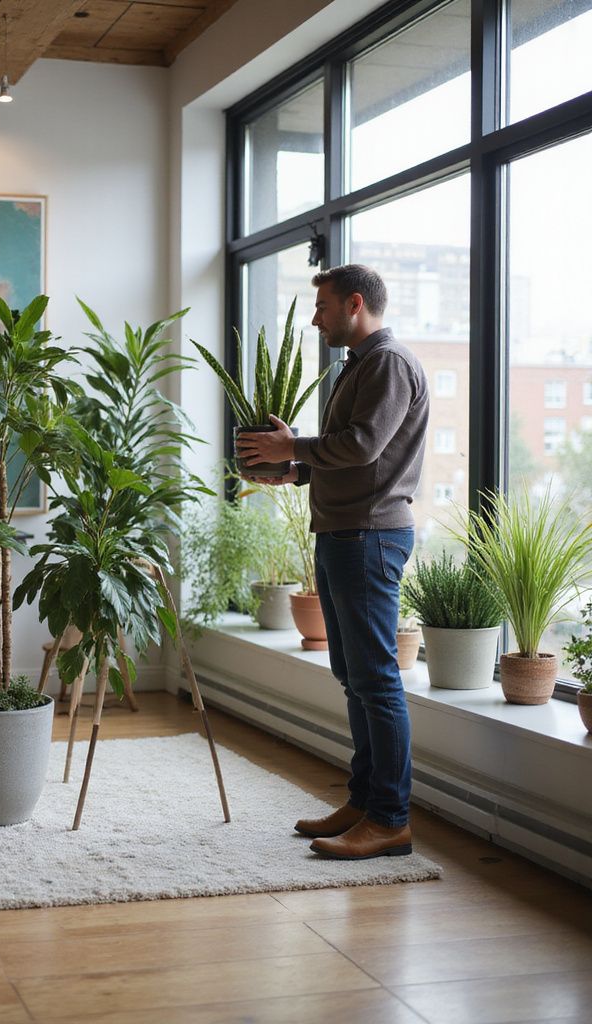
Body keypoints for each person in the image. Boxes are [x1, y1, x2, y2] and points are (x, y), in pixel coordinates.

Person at [237, 264, 429, 860]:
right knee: (354, 675)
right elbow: (352, 454)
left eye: (321, 307)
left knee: (376, 680)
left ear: (354, 304)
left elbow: (366, 444)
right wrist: (291, 469)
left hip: (369, 537)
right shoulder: (360, 366)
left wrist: (291, 444)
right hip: (345, 533)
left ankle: (390, 819)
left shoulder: (389, 363)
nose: (315, 318)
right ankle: (366, 801)